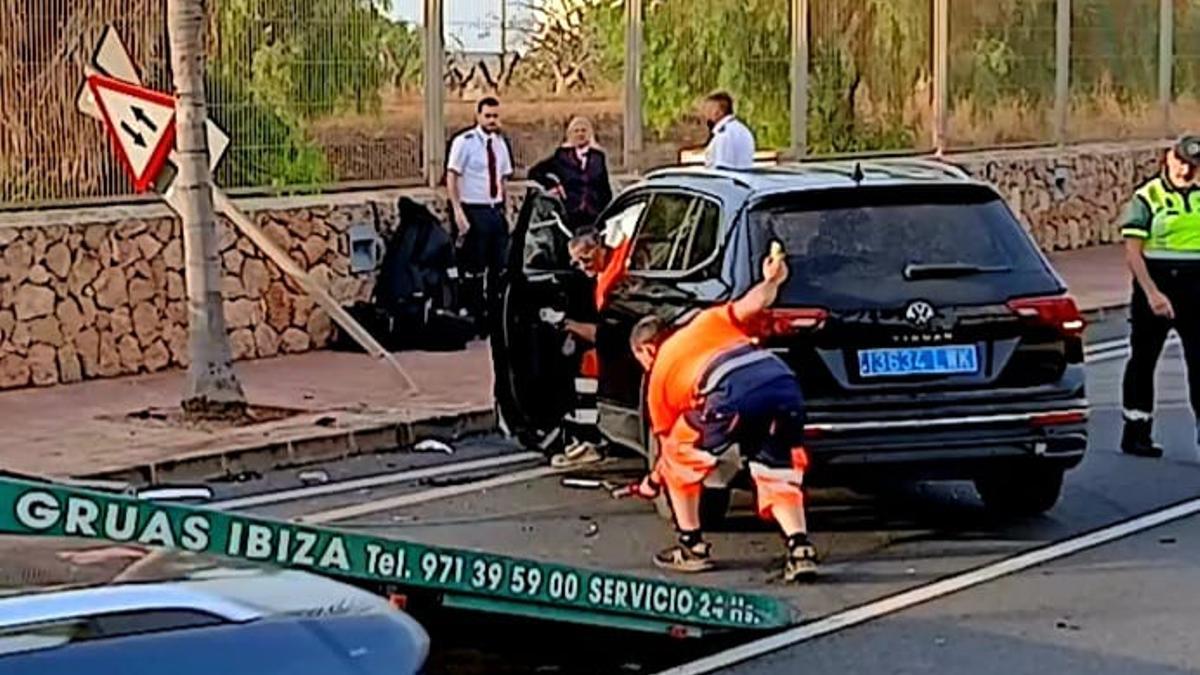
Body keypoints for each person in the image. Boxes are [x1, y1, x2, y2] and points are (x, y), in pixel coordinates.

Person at [625, 245, 818, 581]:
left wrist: (651, 483)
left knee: (679, 461)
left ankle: (692, 547)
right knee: (776, 470)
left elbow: (670, 452)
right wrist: (773, 280)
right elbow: (756, 301)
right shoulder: (707, 321)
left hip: (728, 390)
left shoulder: (659, 375)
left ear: (646, 348)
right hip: (782, 382)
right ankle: (800, 548)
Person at [1120, 135, 1200, 458]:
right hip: (1156, 283)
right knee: (1143, 360)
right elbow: (1133, 253)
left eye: (1193, 165)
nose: (1185, 170)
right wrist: (1152, 293)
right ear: (1169, 157)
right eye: (1181, 162)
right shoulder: (1147, 196)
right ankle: (1136, 430)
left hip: (1196, 286)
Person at [447, 97, 514, 336]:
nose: (492, 120)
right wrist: (458, 211)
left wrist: (506, 211)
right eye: (488, 116)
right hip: (473, 209)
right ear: (478, 116)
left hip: (495, 210)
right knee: (474, 268)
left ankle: (494, 316)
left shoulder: (500, 143)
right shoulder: (464, 142)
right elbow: (452, 176)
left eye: (495, 116)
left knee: (499, 267)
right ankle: (473, 317)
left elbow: (503, 179)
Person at [529, 116, 614, 232]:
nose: (580, 134)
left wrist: (607, 212)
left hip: (595, 214)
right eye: (576, 131)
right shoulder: (561, 156)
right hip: (570, 214)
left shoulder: (598, 157)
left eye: (583, 130)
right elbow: (535, 172)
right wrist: (553, 186)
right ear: (570, 134)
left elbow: (604, 187)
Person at [702, 91, 755, 170]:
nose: (706, 113)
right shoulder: (743, 130)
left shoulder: (724, 134)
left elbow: (722, 168)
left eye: (709, 109)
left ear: (719, 112)